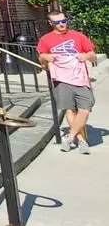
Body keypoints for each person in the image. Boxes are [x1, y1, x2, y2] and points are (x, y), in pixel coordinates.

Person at [38, 12, 97, 154]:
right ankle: (82, 140)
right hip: (61, 79)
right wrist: (46, 57)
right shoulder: (46, 39)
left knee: (85, 108)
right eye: (57, 22)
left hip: (80, 78)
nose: (62, 24)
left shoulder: (78, 36)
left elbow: (93, 55)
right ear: (51, 23)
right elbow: (41, 58)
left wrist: (86, 56)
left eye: (63, 21)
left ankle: (70, 137)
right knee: (69, 109)